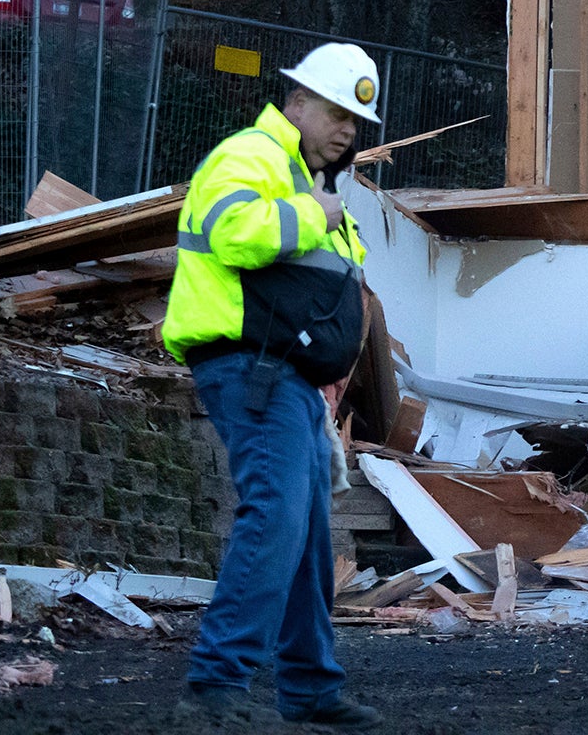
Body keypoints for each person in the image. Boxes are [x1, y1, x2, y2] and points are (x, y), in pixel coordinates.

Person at [163, 44, 386, 729]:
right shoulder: (251, 157)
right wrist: (311, 214)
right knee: (279, 517)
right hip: (250, 366)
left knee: (308, 533)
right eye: (336, 111)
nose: (349, 129)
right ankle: (215, 686)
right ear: (295, 101)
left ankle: (311, 689)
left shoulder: (302, 179)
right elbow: (234, 235)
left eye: (358, 120)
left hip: (285, 376)